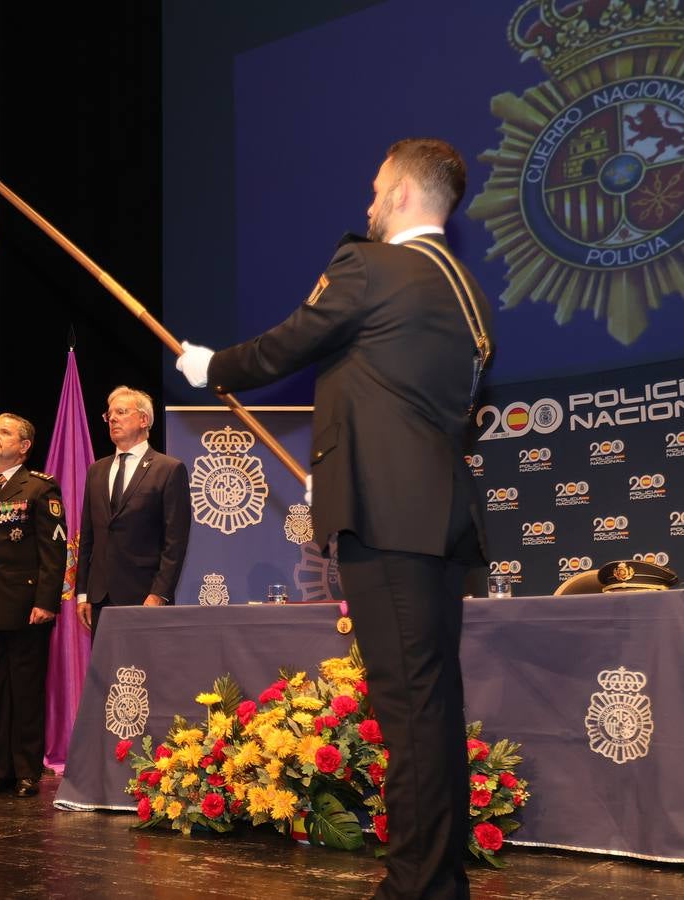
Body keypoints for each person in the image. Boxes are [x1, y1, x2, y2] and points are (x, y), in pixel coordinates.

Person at [176, 138, 494, 899]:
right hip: (437, 515)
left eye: (378, 189)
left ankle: (416, 886)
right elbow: (415, 406)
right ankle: (440, 879)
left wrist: (211, 366)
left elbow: (295, 340)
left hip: (390, 522)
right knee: (432, 703)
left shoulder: (371, 266)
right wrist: (346, 470)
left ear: (408, 195)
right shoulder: (464, 291)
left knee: (408, 706)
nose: (368, 204)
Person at [0, 414, 66, 798]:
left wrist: (46, 602)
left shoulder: (39, 487)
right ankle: (1, 768)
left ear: (23, 446)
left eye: (4, 433)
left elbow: (54, 551)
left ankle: (27, 770)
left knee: (25, 691)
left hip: (26, 608)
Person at [76, 386, 191, 634]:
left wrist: (159, 593)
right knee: (106, 672)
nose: (113, 418)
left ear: (143, 420)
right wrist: (84, 593)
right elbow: (88, 537)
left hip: (145, 596)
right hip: (100, 599)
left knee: (144, 671)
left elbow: (175, 541)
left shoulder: (168, 469)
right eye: (109, 415)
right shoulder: (97, 470)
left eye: (121, 411)